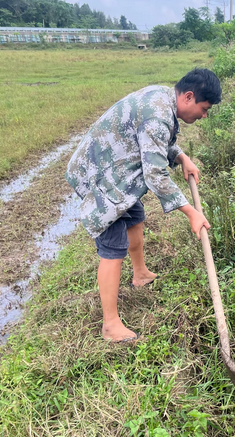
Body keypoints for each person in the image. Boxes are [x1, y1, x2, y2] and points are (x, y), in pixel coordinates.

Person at [66, 68, 222, 342]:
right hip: (100, 173)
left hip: (113, 166)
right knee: (113, 245)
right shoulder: (158, 114)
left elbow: (157, 143)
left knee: (135, 213)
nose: (204, 115)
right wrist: (190, 212)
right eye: (204, 108)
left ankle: (140, 274)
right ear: (188, 97)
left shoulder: (165, 99)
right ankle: (110, 325)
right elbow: (155, 174)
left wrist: (182, 157)